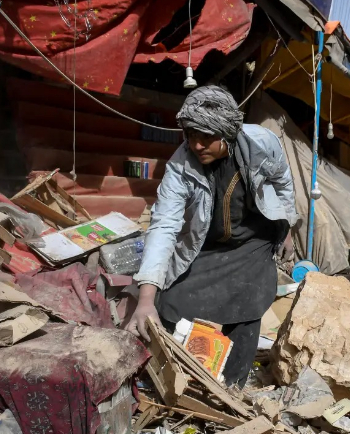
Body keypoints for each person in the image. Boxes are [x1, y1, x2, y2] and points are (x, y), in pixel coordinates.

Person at [125, 86, 298, 387]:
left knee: (248, 301)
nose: (197, 144)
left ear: (226, 133)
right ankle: (175, 379)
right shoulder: (180, 166)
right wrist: (145, 300)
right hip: (207, 244)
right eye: (191, 135)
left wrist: (287, 229)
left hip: (254, 240)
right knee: (170, 302)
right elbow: (164, 225)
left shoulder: (262, 143)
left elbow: (282, 181)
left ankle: (232, 389)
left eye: (206, 137)